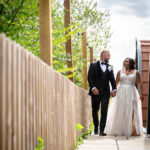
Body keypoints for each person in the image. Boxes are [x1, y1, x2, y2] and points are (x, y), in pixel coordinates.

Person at [105, 58, 143, 136]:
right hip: (120, 92)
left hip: (132, 92)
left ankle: (130, 129)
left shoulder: (136, 73)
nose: (125, 62)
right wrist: (113, 91)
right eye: (124, 61)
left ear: (131, 63)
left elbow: (139, 84)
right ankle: (120, 129)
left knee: (131, 110)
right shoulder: (120, 72)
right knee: (120, 109)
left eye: (127, 61)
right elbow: (116, 83)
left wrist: (141, 94)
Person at [88, 50, 117, 136]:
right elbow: (89, 78)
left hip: (105, 92)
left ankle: (102, 130)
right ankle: (96, 127)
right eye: (108, 55)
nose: (109, 57)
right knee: (95, 110)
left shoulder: (110, 67)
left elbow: (112, 79)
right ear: (103, 55)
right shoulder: (93, 65)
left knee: (104, 110)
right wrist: (93, 88)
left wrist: (114, 89)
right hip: (95, 92)